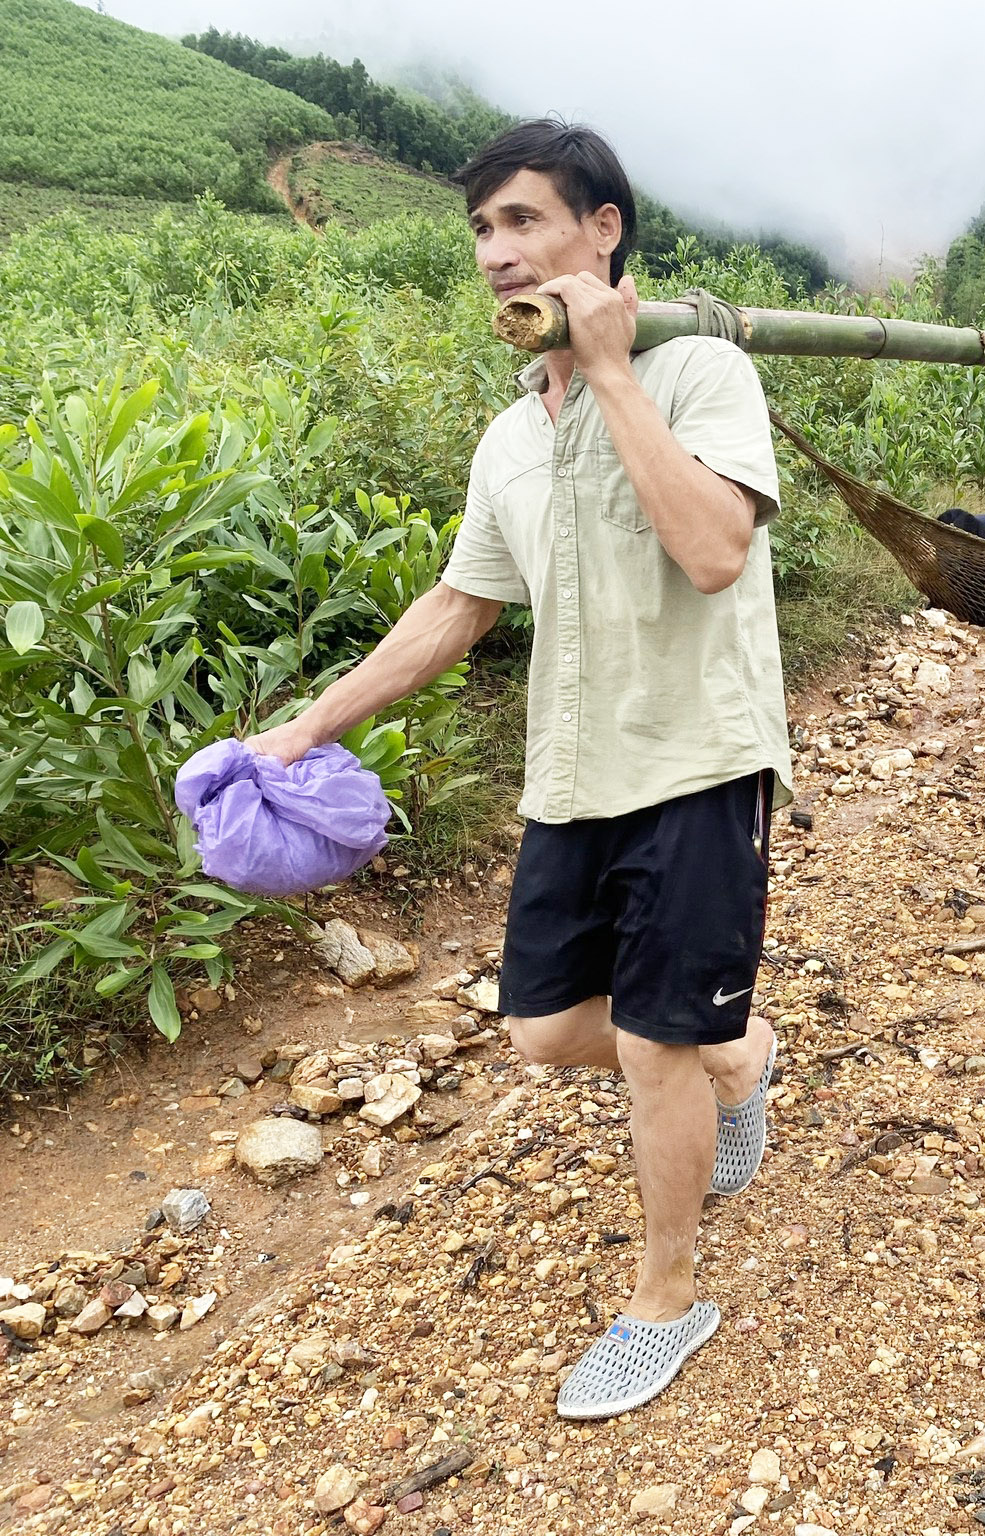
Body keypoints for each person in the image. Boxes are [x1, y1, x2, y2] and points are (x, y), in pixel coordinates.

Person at [242, 121, 788, 1422]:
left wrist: (613, 376)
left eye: (526, 221)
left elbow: (714, 551)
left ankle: (667, 1297)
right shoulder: (505, 441)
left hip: (701, 757)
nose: (498, 253)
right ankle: (743, 1056)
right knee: (546, 1031)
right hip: (572, 772)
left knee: (654, 1034)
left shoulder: (702, 370)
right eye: (484, 229)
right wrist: (304, 729)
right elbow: (458, 607)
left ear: (602, 232)